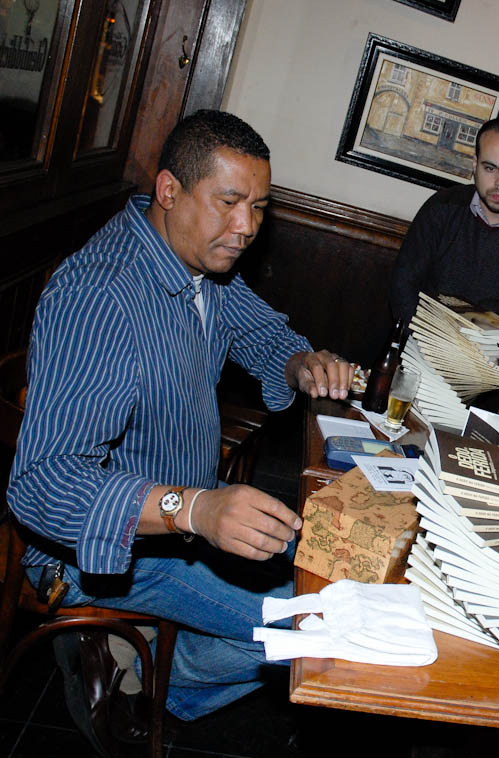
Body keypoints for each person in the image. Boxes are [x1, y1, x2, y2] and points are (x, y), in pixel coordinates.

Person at [8, 110, 353, 755]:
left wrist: (302, 362)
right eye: (229, 203)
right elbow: (40, 486)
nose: (246, 227)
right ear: (170, 191)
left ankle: (150, 668)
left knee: (337, 581)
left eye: (258, 207)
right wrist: (193, 507)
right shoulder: (101, 295)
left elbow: (264, 334)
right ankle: (142, 679)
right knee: (327, 625)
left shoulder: (199, 263)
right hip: (100, 552)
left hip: (187, 520)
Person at [389, 117, 499, 343]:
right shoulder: (442, 208)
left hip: (495, 367)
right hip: (422, 346)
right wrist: (430, 345)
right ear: (475, 163)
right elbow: (403, 287)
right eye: (490, 168)